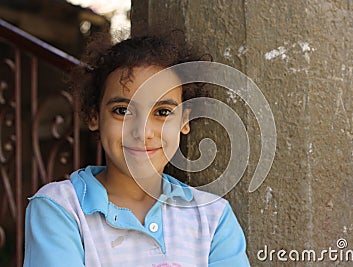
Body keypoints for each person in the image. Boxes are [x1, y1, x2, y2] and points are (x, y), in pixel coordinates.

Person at [23, 33, 250, 267]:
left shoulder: (213, 217)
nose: (143, 132)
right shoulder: (61, 208)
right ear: (94, 116)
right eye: (122, 111)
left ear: (184, 120)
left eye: (162, 112)